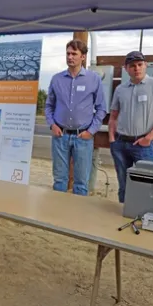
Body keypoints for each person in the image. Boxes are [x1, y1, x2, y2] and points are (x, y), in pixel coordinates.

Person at [108, 51, 153, 203]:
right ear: (126, 68)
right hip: (120, 143)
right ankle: (124, 212)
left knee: (146, 183)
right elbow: (113, 116)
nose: (136, 68)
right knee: (124, 183)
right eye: (132, 66)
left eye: (139, 65)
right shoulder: (120, 89)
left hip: (142, 145)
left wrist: (149, 138)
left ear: (145, 65)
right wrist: (112, 138)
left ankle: (142, 215)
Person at [45, 39, 107, 196]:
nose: (70, 57)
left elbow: (101, 108)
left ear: (83, 57)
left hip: (83, 137)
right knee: (59, 180)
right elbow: (49, 106)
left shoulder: (94, 79)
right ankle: (56, 215)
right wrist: (52, 125)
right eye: (68, 53)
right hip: (60, 136)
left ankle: (77, 217)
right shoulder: (56, 79)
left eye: (74, 54)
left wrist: (91, 131)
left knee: (81, 182)